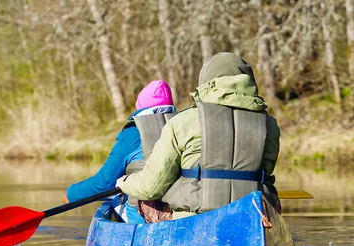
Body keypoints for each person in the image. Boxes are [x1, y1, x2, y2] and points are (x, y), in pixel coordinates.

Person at [116, 52, 281, 223]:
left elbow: (151, 186)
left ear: (206, 82)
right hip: (254, 216)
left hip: (194, 220)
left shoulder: (182, 121)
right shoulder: (270, 125)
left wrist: (124, 183)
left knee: (146, 198)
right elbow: (266, 171)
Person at [64, 80, 176, 223]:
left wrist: (71, 194)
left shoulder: (133, 134)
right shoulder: (182, 125)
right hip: (177, 214)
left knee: (115, 199)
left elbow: (103, 184)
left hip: (141, 219)